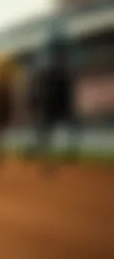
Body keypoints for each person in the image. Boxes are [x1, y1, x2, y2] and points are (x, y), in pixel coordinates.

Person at [28, 35, 80, 172]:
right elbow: (40, 90)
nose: (58, 55)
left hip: (60, 106)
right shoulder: (48, 71)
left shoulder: (62, 71)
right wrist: (40, 103)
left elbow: (68, 92)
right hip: (51, 107)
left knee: (69, 129)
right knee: (46, 134)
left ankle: (68, 154)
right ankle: (46, 161)